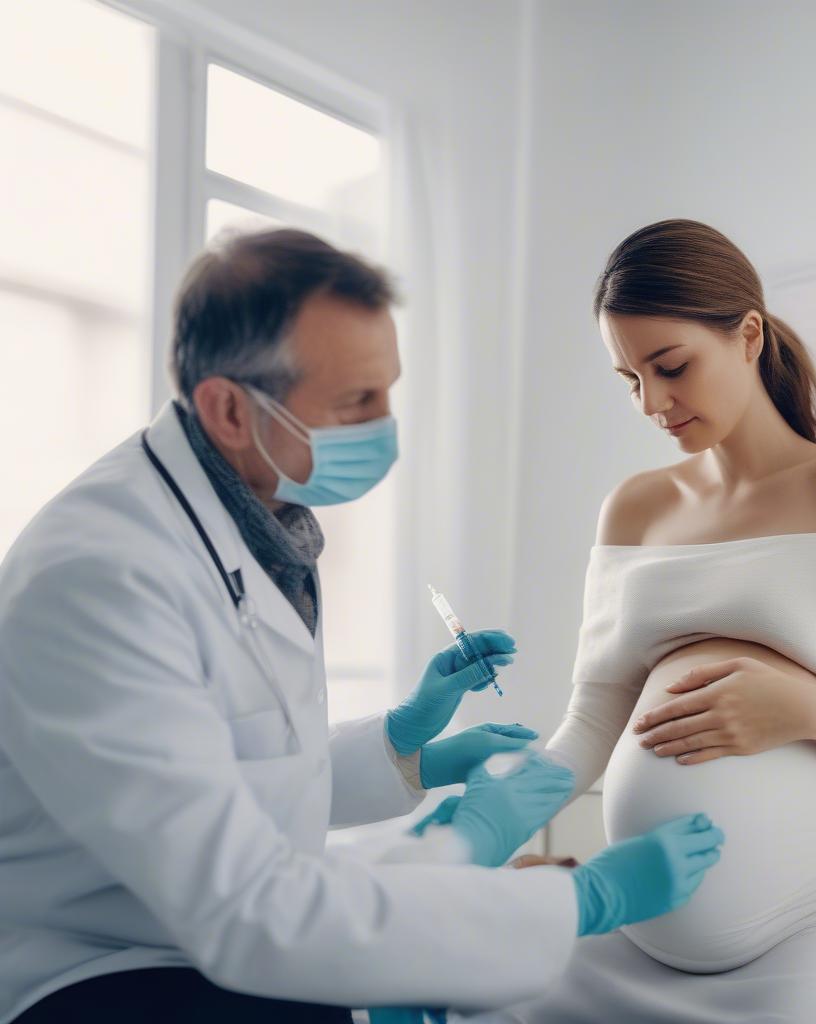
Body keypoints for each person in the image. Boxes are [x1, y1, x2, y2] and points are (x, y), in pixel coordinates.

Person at [0, 227, 725, 1024]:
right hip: (101, 972)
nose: (386, 427)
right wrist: (572, 897)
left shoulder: (258, 516)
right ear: (230, 409)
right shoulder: (102, 579)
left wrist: (402, 750)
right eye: (356, 402)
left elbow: (243, 769)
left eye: (389, 391)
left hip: (202, 938)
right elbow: (248, 908)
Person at [459, 220, 816, 1024]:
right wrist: (480, 825)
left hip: (812, 939)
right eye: (629, 380)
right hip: (627, 942)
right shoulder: (637, 508)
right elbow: (589, 727)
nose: (653, 403)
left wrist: (814, 716)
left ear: (747, 333)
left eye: (671, 367)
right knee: (469, 991)